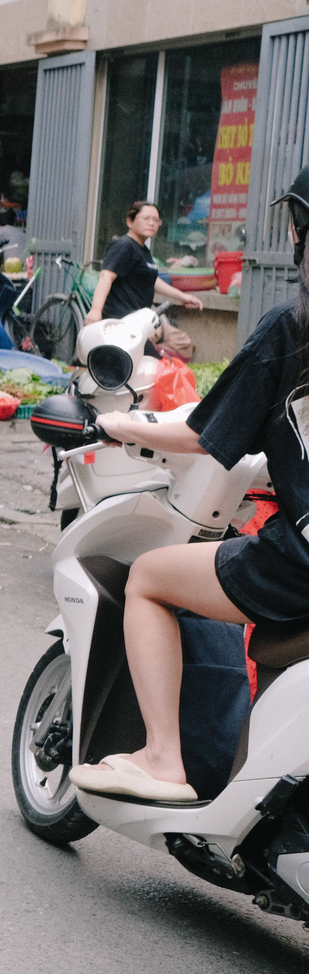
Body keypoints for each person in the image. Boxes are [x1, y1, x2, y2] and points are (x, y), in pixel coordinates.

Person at [69, 167, 309, 803]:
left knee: (148, 577)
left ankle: (162, 759)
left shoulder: (291, 331)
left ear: (296, 235)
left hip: (300, 562)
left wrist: (123, 423)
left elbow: (205, 434)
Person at [86, 201, 205, 324]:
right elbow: (106, 276)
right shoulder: (123, 246)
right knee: (179, 341)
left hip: (138, 322)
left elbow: (151, 280)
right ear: (130, 222)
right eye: (146, 218)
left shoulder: (142, 249)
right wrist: (96, 310)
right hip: (119, 322)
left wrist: (182, 297)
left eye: (156, 220)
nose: (151, 223)